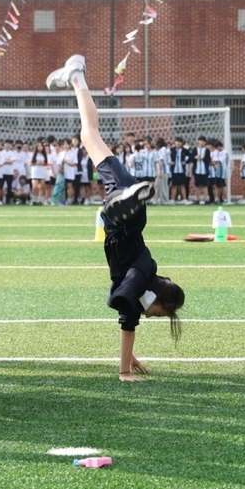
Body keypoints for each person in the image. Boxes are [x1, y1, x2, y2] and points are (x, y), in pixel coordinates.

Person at [46, 55, 185, 380]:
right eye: (158, 313)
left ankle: (77, 75)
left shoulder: (145, 273)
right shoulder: (142, 277)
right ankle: (121, 201)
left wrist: (130, 354)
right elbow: (126, 313)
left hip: (128, 210)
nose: (150, 316)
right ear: (156, 298)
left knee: (89, 135)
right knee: (116, 212)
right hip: (123, 224)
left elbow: (124, 298)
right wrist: (124, 368)